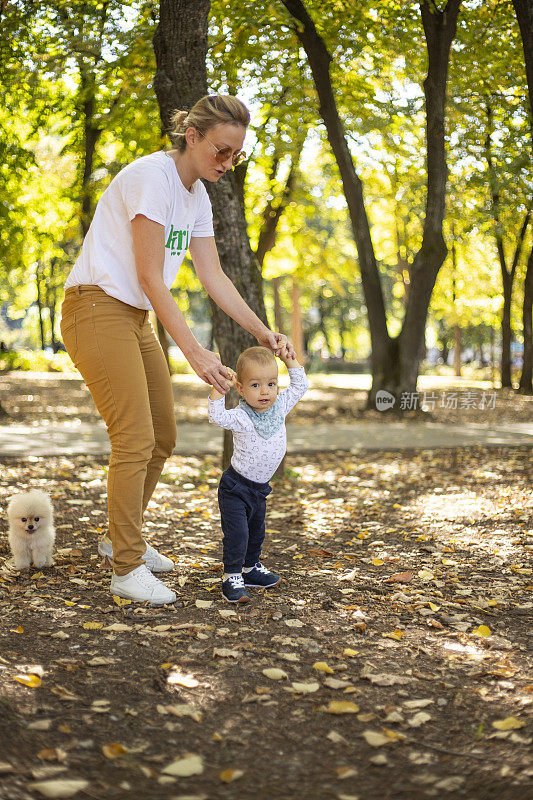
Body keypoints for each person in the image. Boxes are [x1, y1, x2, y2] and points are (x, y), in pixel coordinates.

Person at [60, 94, 293, 605]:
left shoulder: (196, 197)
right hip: (96, 309)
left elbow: (212, 276)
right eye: (221, 150)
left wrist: (261, 331)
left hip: (135, 317)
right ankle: (126, 564)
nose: (227, 163)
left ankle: (116, 538)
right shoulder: (152, 178)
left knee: (162, 437)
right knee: (134, 438)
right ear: (192, 136)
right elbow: (149, 275)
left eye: (235, 155)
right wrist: (194, 352)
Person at [208, 345, 308, 603]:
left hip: (259, 489)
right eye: (255, 385)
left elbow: (300, 386)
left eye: (271, 384)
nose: (265, 391)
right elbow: (216, 416)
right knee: (238, 533)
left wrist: (290, 360)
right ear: (240, 389)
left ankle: (250, 568)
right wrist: (220, 389)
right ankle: (231, 575)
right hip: (235, 488)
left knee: (257, 531)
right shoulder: (241, 416)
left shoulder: (280, 407)